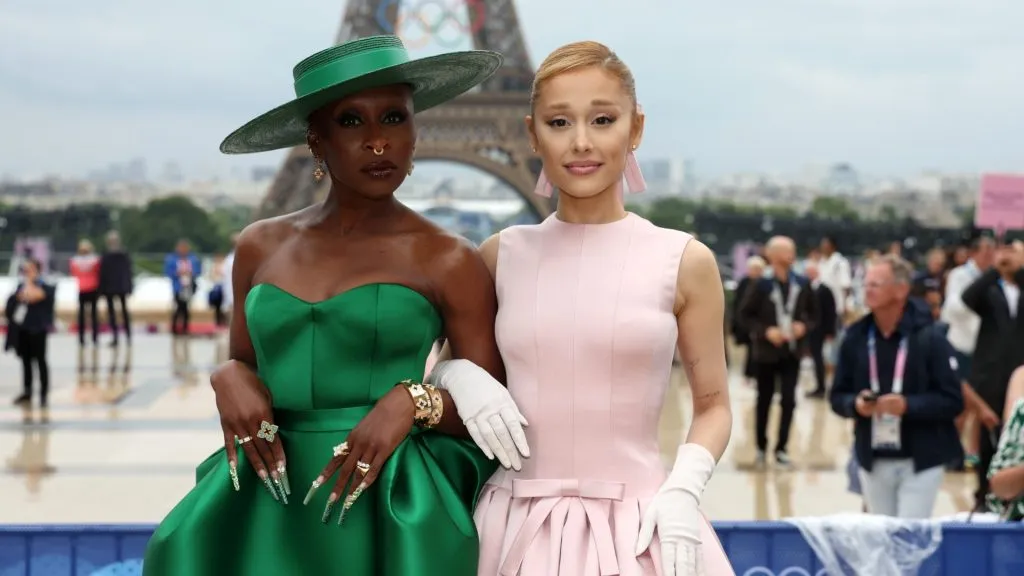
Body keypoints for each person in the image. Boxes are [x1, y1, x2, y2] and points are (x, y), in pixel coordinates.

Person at [144, 36, 507, 576]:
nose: (378, 141)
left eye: (394, 117)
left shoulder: (450, 259)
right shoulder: (258, 245)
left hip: (387, 504)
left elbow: (492, 414)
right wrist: (227, 374)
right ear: (316, 139)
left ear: (415, 129)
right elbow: (245, 362)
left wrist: (413, 403)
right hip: (264, 501)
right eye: (351, 121)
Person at [428, 40, 734, 575]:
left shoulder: (685, 261)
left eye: (603, 119)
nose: (581, 142)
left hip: (642, 526)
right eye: (559, 122)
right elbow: (437, 375)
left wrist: (684, 489)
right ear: (532, 134)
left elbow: (713, 405)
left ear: (636, 128)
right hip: (509, 529)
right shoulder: (499, 256)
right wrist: (455, 373)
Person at [830, 254, 963, 518]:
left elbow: (952, 400)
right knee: (881, 534)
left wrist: (907, 406)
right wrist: (855, 405)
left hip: (921, 458)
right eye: (866, 284)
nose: (868, 290)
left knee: (909, 533)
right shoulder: (856, 337)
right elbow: (837, 396)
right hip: (873, 456)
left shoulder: (930, 336)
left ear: (901, 289)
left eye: (876, 284)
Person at [739, 235, 818, 468]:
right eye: (785, 251)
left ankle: (782, 448)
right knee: (763, 399)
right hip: (766, 352)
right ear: (772, 255)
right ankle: (761, 447)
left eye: (792, 250)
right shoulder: (761, 284)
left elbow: (815, 315)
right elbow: (744, 315)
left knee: (789, 400)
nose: (791, 255)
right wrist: (765, 331)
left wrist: (804, 326)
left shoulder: (801, 283)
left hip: (792, 351)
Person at [960, 242, 1024, 507]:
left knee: (1015, 436)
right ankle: (984, 493)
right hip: (991, 374)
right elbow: (968, 298)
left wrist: (1019, 270)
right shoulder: (990, 290)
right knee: (989, 434)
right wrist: (994, 270)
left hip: (1018, 373)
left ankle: (1011, 494)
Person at [4, 258, 56, 407]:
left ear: (37, 270)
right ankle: (27, 391)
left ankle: (43, 393)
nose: (27, 272)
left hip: (38, 329)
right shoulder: (20, 286)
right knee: (25, 361)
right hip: (23, 328)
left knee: (41, 361)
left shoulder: (46, 287)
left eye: (30, 269)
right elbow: (14, 301)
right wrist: (24, 291)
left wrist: (30, 287)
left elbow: (37, 296)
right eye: (26, 270)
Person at [98, 231, 134, 346]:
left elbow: (128, 272)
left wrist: (129, 286)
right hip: (111, 287)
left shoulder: (122, 255)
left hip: (118, 286)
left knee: (123, 311)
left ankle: (127, 336)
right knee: (113, 313)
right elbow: (102, 273)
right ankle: (116, 336)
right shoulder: (108, 255)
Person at [164, 239, 201, 335]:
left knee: (186, 308)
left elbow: (198, 271)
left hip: (188, 287)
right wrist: (178, 273)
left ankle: (185, 327)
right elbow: (168, 272)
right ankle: (175, 328)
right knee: (179, 307)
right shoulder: (172, 259)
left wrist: (191, 273)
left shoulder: (192, 259)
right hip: (178, 287)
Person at [69, 239, 101, 345]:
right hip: (93, 287)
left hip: (82, 288)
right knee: (94, 314)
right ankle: (95, 337)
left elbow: (74, 273)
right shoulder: (95, 260)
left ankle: (81, 337)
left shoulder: (75, 261)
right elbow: (98, 272)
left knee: (81, 314)